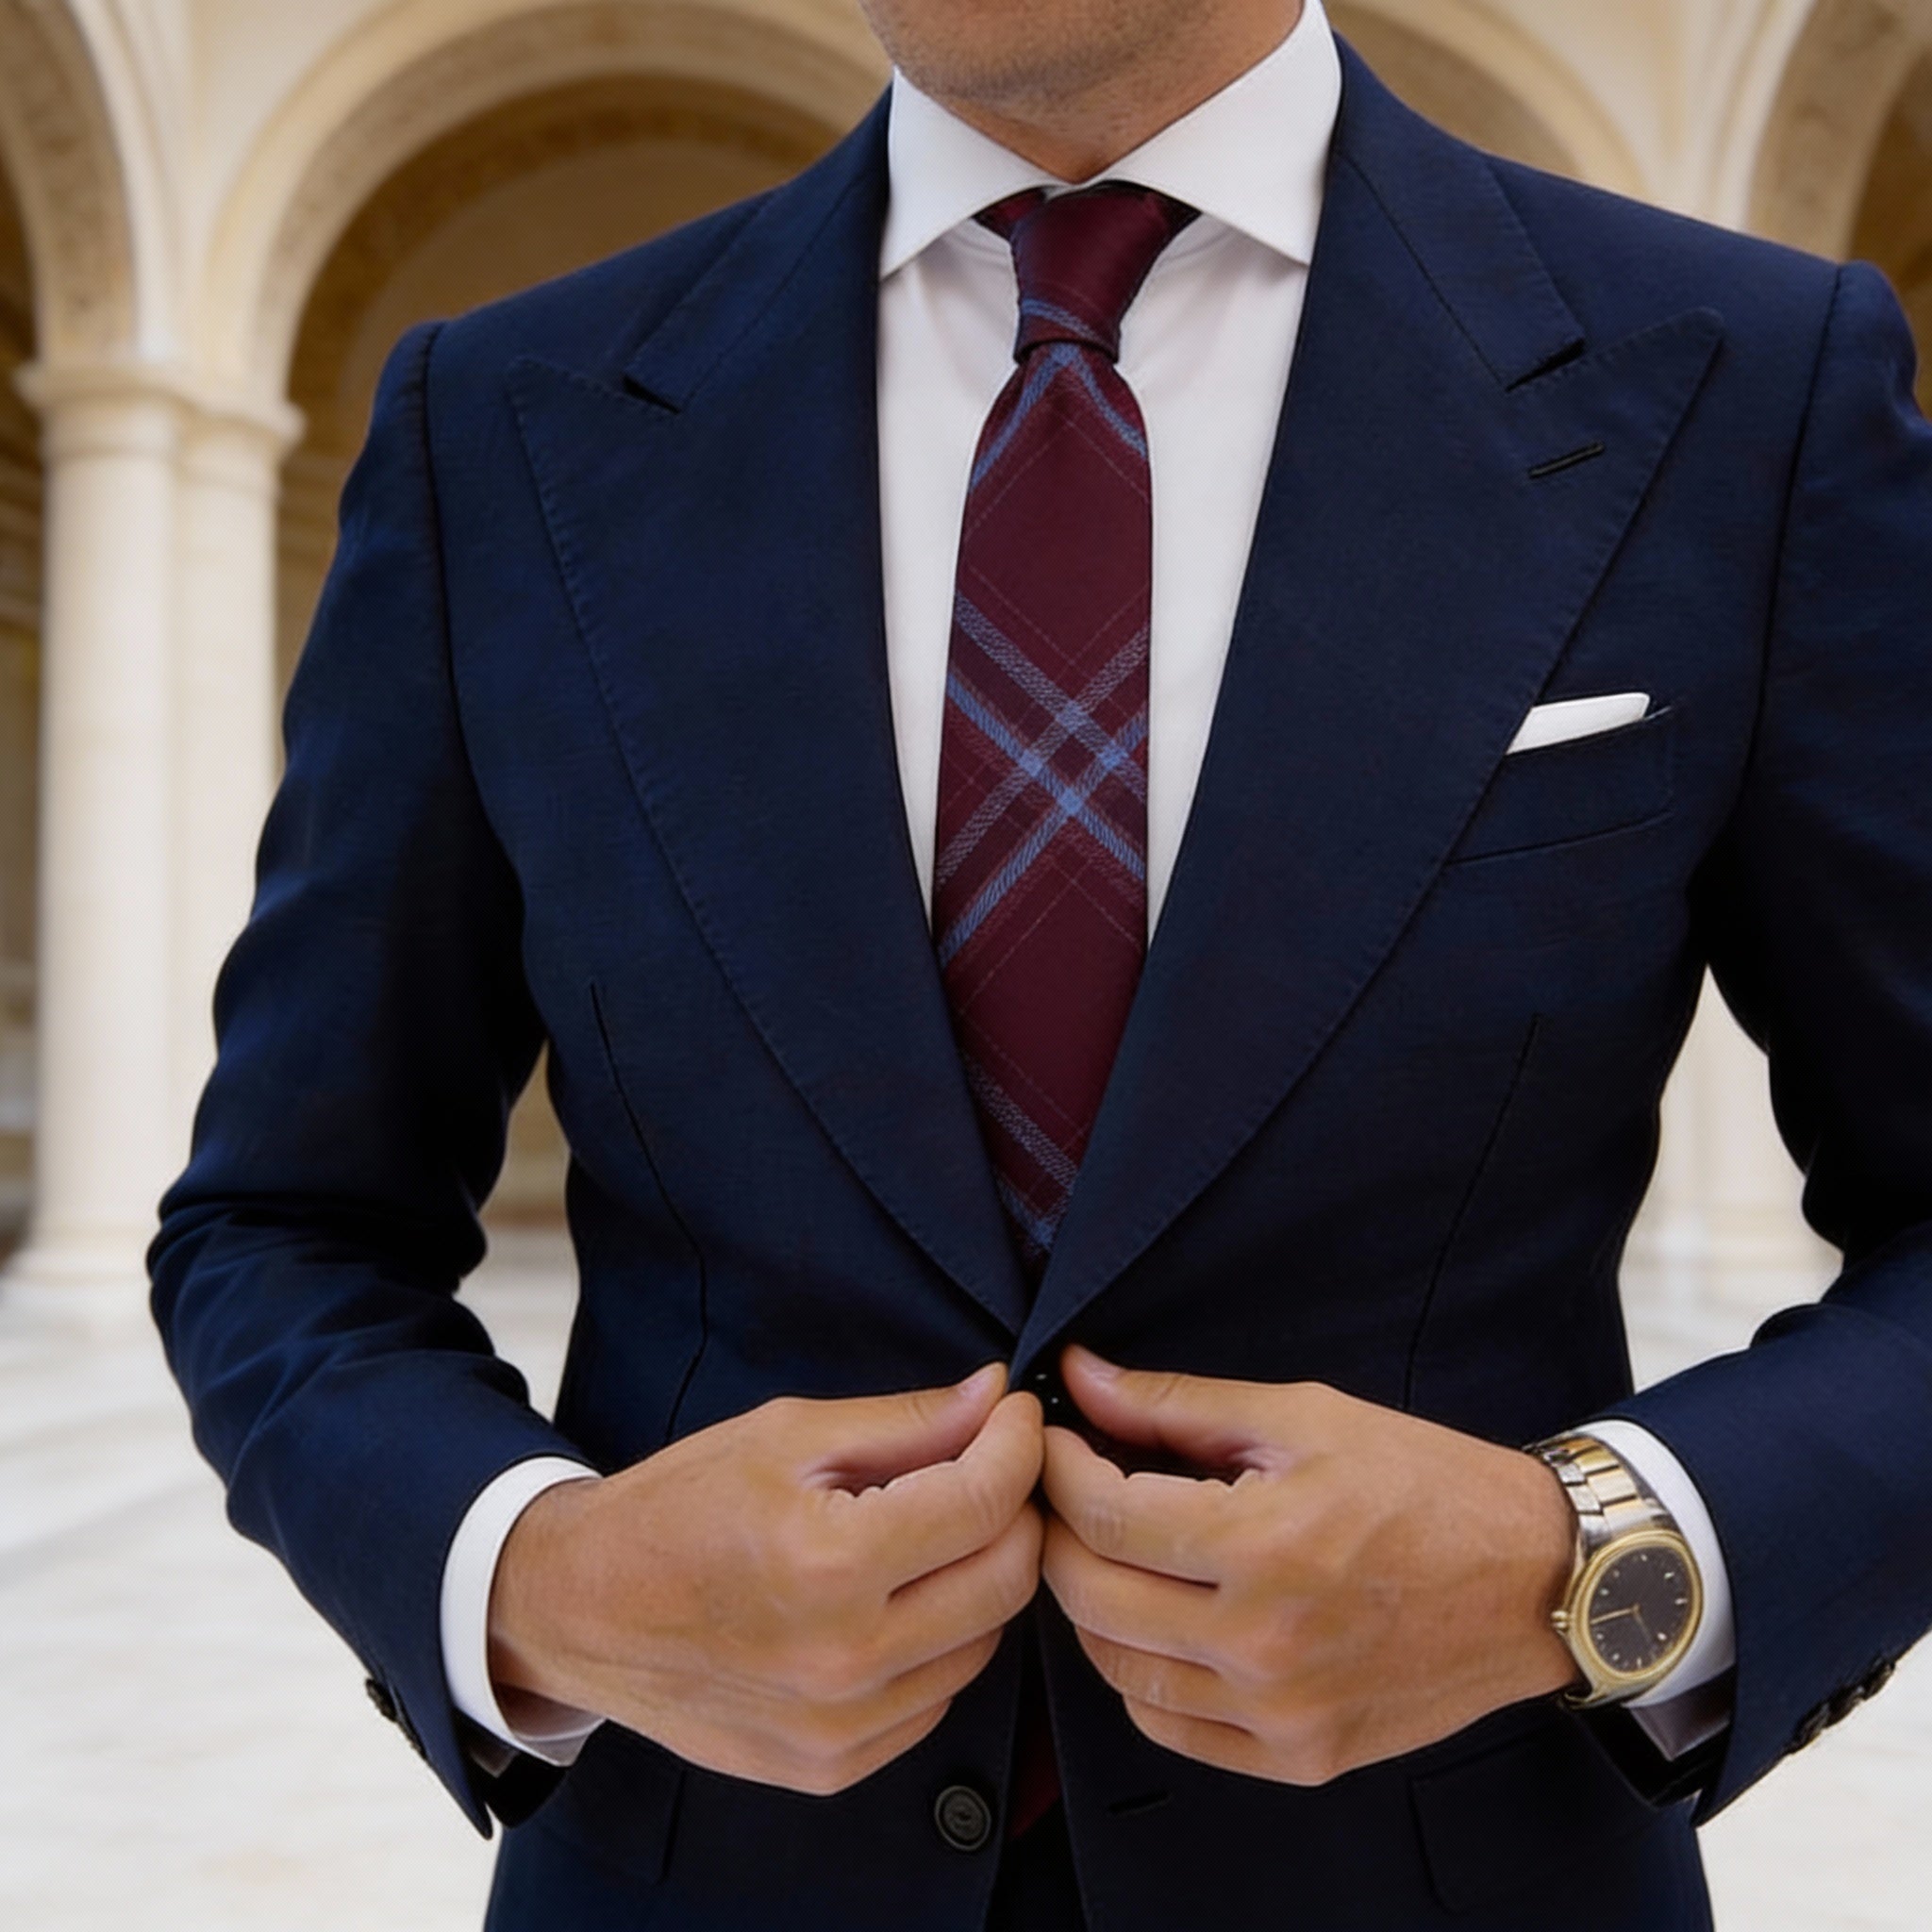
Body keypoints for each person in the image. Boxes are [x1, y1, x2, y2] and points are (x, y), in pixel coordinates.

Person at [150, 0, 1932, 1926]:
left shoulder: (1743, 390)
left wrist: (1575, 1560)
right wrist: (538, 1580)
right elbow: (281, 1227)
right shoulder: (497, 425)